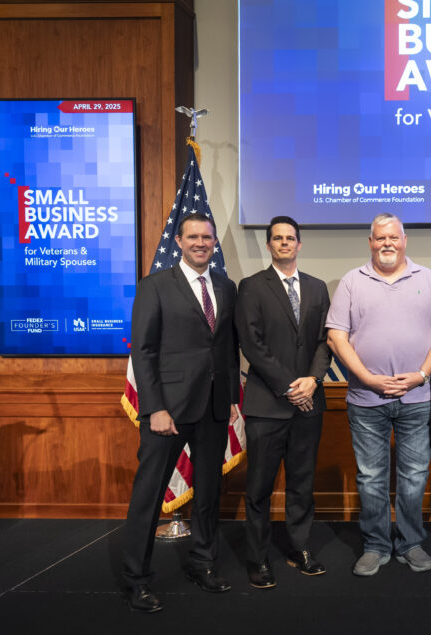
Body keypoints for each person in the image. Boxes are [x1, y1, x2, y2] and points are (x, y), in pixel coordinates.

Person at [122, 213, 240, 612]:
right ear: (178, 240)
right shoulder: (154, 286)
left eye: (207, 237)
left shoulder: (226, 286)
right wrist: (153, 408)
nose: (201, 243)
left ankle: (203, 563)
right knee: (149, 495)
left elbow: (223, 346)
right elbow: (144, 351)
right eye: (193, 237)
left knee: (208, 493)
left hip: (213, 407)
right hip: (167, 411)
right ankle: (137, 579)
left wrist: (229, 398)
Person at [326, 213, 431, 577]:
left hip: (417, 400)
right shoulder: (352, 281)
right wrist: (368, 378)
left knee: (414, 477)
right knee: (370, 477)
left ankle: (411, 543)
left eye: (393, 237)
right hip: (366, 401)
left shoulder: (427, 280)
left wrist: (421, 376)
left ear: (404, 239)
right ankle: (376, 545)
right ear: (370, 242)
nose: (386, 244)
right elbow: (337, 337)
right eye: (380, 238)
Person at [235, 216, 332, 589]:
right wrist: (289, 385)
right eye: (277, 238)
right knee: (259, 487)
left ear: (299, 244)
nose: (284, 243)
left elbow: (327, 341)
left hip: (310, 402)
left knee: (302, 483)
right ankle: (258, 558)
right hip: (267, 403)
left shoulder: (317, 288)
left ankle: (300, 549)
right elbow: (252, 344)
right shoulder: (251, 287)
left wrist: (313, 380)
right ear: (269, 245)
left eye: (290, 238)